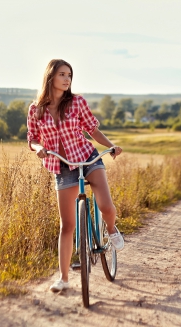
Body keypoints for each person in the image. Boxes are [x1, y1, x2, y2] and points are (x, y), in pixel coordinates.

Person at [27, 59, 124, 292]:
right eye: (62, 74)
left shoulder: (77, 102)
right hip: (62, 166)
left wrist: (111, 146)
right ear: (51, 76)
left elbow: (92, 130)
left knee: (106, 206)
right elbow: (31, 138)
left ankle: (111, 231)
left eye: (69, 75)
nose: (67, 79)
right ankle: (63, 279)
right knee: (67, 225)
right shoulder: (36, 109)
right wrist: (38, 147)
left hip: (87, 158)